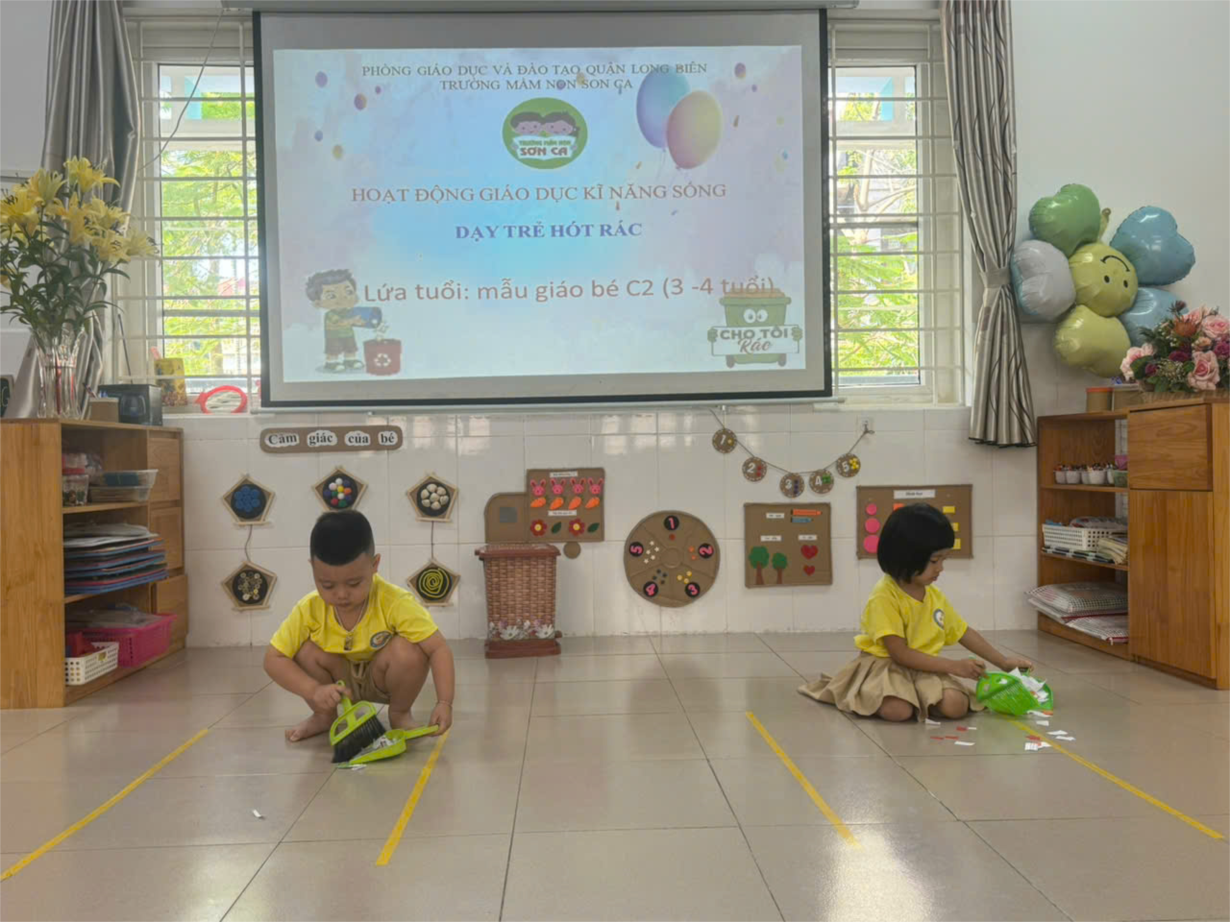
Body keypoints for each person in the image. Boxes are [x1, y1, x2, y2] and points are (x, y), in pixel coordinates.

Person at [800, 504, 1031, 722]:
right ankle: (880, 694)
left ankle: (919, 699)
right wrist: (953, 666)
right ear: (906, 556)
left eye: (944, 559)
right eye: (934, 561)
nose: (940, 568)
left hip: (927, 667)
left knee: (956, 706)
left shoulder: (934, 595)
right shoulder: (884, 596)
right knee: (898, 711)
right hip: (886, 667)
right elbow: (900, 654)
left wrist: (1003, 662)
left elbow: (963, 632)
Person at [264, 510, 456, 742]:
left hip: (382, 679)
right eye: (327, 585)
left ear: (375, 565)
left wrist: (444, 702)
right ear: (312, 568)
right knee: (303, 651)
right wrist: (313, 690)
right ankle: (323, 716)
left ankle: (400, 714)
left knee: (410, 649)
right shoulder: (309, 608)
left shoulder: (394, 601)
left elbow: (438, 648)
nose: (341, 594)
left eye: (354, 583)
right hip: (340, 685)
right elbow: (273, 659)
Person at [306, 268, 364, 373]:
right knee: (333, 351)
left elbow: (351, 321)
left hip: (348, 334)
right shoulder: (330, 314)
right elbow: (340, 322)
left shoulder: (348, 311)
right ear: (318, 303)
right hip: (334, 336)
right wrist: (352, 321)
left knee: (350, 348)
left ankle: (350, 361)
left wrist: (357, 322)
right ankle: (331, 363)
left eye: (349, 292)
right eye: (332, 296)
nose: (343, 297)